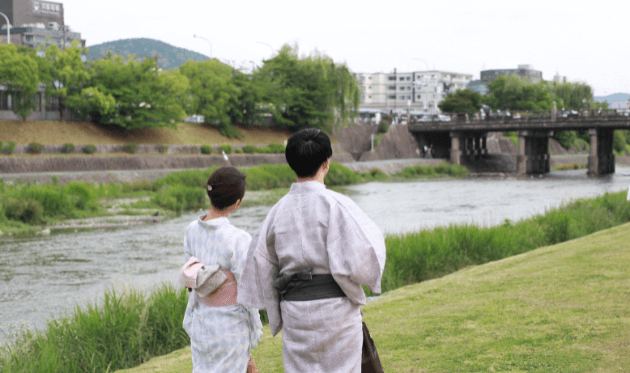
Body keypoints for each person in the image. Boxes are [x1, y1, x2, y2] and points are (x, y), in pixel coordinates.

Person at [237, 128, 386, 372]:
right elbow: (367, 251)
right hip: (336, 309)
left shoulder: (276, 212)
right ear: (326, 163)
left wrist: (275, 303)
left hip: (296, 312)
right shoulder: (338, 205)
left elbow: (261, 262)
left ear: (292, 164)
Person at [182, 166, 263, 373]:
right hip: (230, 324)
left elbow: (191, 272)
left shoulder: (191, 230)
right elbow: (249, 289)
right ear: (237, 204)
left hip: (201, 318)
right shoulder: (238, 239)